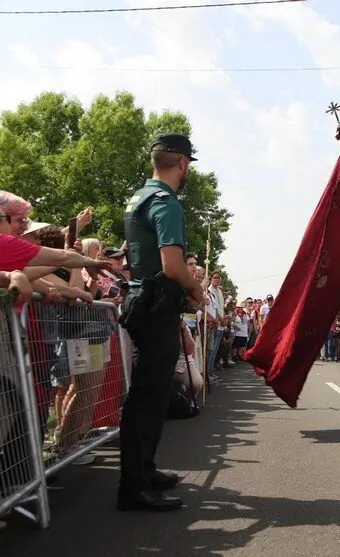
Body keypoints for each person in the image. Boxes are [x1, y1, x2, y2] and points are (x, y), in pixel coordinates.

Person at [118, 133, 204, 511]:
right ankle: (134, 485)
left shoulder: (139, 196)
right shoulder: (165, 202)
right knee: (148, 398)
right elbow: (172, 266)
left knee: (151, 396)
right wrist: (195, 286)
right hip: (155, 306)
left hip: (144, 302)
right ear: (183, 163)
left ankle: (145, 470)